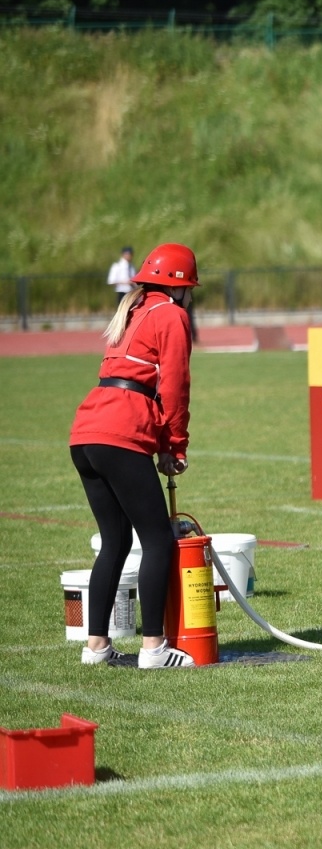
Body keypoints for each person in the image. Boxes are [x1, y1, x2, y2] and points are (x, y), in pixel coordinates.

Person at [69, 243, 200, 669]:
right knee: (158, 540)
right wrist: (174, 445)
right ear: (180, 287)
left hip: (86, 430)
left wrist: (161, 443)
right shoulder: (172, 314)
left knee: (115, 540)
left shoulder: (134, 309)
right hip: (120, 432)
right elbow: (175, 386)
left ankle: (97, 648)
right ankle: (153, 647)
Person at [106, 247, 135, 311]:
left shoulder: (131, 266)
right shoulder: (117, 266)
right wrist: (126, 282)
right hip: (122, 292)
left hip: (131, 292)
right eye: (127, 254)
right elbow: (111, 281)